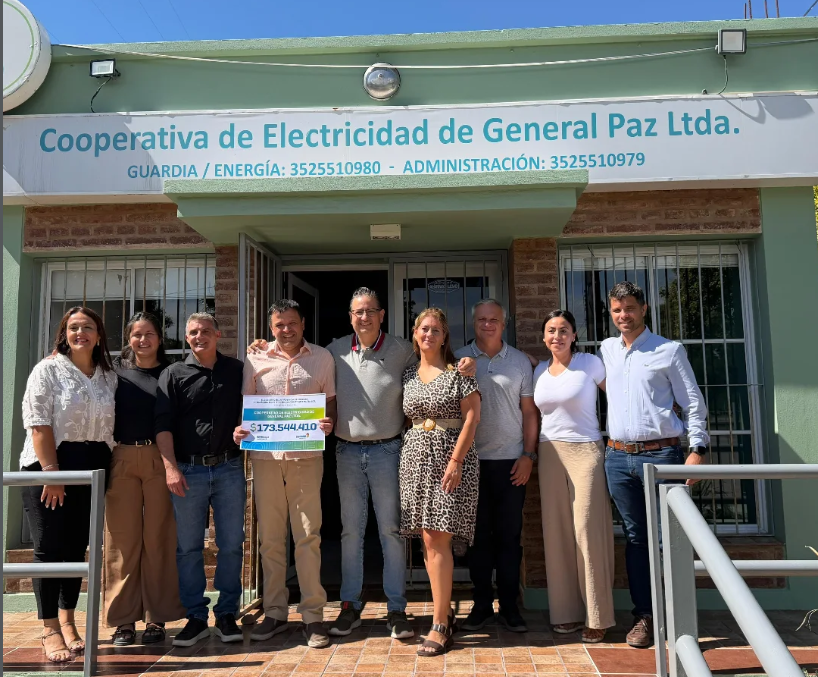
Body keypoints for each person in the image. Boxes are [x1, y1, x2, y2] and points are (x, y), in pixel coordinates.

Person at [247, 288, 475, 641]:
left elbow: (436, 366)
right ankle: (350, 605)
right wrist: (261, 345)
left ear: (382, 315)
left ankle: (396, 609)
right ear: (350, 316)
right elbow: (297, 361)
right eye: (357, 312)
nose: (364, 317)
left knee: (391, 533)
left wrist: (465, 364)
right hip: (347, 452)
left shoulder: (403, 349)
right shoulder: (334, 351)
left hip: (389, 452)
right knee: (350, 532)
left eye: (370, 311)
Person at [600, 281, 709, 648]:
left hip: (662, 456)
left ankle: (677, 616)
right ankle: (645, 616)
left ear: (643, 308)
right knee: (636, 539)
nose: (623, 315)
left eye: (629, 307)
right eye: (616, 309)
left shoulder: (668, 350)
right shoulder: (607, 350)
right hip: (617, 458)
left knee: (669, 540)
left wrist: (698, 449)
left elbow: (692, 402)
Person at [234, 300, 336, 649]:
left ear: (303, 323)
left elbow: (330, 403)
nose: (286, 330)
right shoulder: (254, 359)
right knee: (271, 540)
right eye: (279, 325)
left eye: (292, 323)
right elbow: (247, 407)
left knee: (309, 536)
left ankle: (313, 617)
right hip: (265, 458)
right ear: (271, 327)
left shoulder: (322, 358)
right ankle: (275, 612)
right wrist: (241, 431)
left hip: (307, 458)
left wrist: (327, 422)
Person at [20, 307, 117, 663]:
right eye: (73, 328)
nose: (81, 333)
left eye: (87, 327)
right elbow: (39, 423)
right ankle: (48, 629)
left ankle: (68, 622)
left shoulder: (108, 375)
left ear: (98, 335)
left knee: (77, 549)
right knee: (49, 549)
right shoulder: (47, 370)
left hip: (92, 471)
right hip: (50, 470)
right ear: (64, 333)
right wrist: (53, 473)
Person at [155, 313, 246, 647]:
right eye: (193, 332)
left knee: (232, 544)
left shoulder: (237, 370)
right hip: (187, 470)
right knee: (189, 548)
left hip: (229, 468)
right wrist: (170, 468)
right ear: (186, 337)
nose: (199, 336)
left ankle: (226, 614)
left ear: (218, 334)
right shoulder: (172, 374)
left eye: (206, 331)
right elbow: (162, 426)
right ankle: (195, 616)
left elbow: (256, 405)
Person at [399, 308, 481, 656]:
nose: (429, 335)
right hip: (415, 459)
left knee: (438, 538)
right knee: (427, 540)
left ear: (444, 336)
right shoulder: (406, 374)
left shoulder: (459, 373)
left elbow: (473, 416)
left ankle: (440, 624)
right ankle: (444, 608)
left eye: (436, 330)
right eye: (423, 329)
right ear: (415, 334)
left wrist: (456, 460)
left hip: (451, 460)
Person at [455, 300, 538, 635]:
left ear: (504, 324)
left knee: (509, 537)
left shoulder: (519, 362)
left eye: (494, 320)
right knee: (477, 539)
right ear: (473, 322)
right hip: (472, 463)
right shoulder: (459, 358)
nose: (487, 325)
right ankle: (480, 604)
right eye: (481, 320)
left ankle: (509, 605)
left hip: (511, 464)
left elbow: (530, 413)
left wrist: (528, 455)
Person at [533, 310, 615, 644]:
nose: (557, 336)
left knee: (587, 529)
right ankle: (564, 613)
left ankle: (598, 616)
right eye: (551, 331)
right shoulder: (538, 369)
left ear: (574, 335)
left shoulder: (590, 364)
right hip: (548, 452)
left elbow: (619, 398)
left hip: (586, 452)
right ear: (543, 337)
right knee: (556, 532)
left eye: (563, 330)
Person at [103, 312, 185, 646]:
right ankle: (123, 621)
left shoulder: (171, 373)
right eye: (136, 334)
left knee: (159, 539)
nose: (143, 340)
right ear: (129, 338)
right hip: (121, 456)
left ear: (159, 338)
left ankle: (158, 618)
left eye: (149, 333)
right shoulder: (113, 375)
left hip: (159, 458)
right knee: (122, 541)